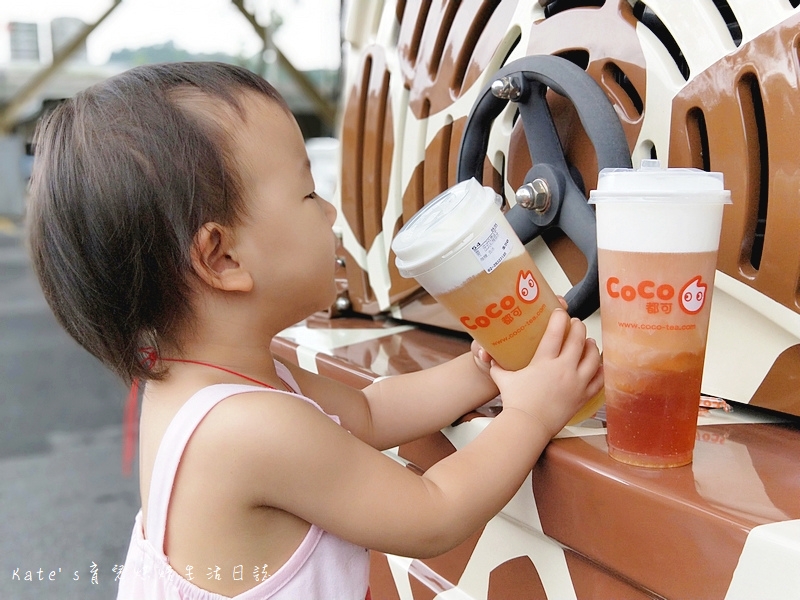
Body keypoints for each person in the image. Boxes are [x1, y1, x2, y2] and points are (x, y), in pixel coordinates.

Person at [27, 62, 603, 599]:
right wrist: (532, 414)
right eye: (308, 193)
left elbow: (371, 412)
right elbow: (432, 512)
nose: (329, 212)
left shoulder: (207, 381)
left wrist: (483, 372)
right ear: (222, 258)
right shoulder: (247, 429)